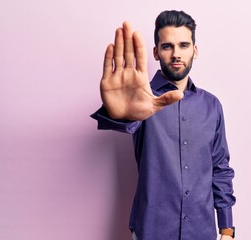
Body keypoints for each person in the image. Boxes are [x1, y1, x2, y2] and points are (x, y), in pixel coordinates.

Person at [91, 10, 236, 240]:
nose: (176, 54)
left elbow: (220, 169)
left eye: (184, 45)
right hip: (151, 230)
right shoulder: (141, 99)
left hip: (202, 231)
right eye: (168, 46)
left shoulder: (212, 106)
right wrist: (118, 113)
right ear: (156, 53)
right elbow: (124, 120)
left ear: (195, 51)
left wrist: (227, 229)